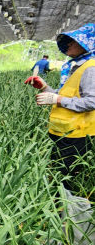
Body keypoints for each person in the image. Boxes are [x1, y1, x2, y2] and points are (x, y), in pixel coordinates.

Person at [25, 23, 95, 188]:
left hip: (76, 134)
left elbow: (92, 101)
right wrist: (44, 87)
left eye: (74, 41)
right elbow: (67, 94)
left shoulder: (90, 68)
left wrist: (56, 100)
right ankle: (57, 204)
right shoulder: (75, 65)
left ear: (87, 43)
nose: (68, 44)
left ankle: (63, 209)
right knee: (57, 173)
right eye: (68, 41)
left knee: (65, 178)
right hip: (62, 130)